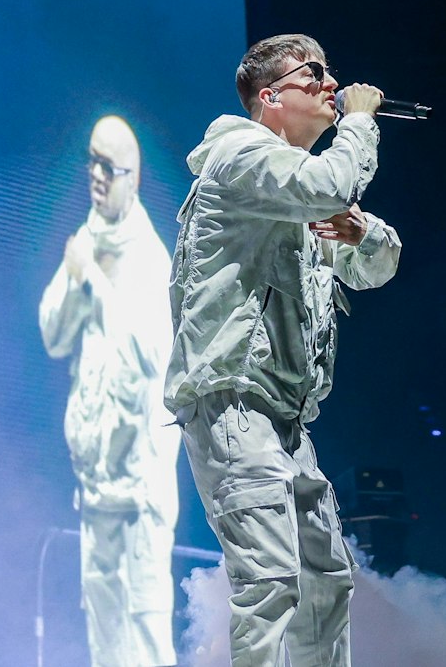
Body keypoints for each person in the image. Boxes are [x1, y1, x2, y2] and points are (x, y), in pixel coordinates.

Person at [165, 34, 401, 667]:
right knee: (270, 580)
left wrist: (364, 230)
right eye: (314, 73)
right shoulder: (241, 156)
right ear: (270, 98)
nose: (331, 83)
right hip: (233, 403)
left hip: (285, 422)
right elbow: (331, 184)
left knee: (326, 582)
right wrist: (357, 121)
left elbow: (374, 269)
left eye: (332, 73)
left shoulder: (296, 193)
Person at [40, 116, 181, 667]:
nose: (96, 177)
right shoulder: (88, 239)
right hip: (96, 486)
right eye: (91, 162)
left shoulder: (150, 260)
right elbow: (53, 333)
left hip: (139, 492)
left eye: (108, 167)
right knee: (103, 637)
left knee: (145, 631)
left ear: (133, 177)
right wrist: (79, 276)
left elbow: (148, 357)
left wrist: (95, 282)